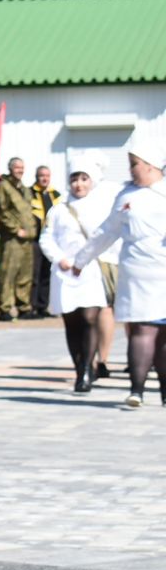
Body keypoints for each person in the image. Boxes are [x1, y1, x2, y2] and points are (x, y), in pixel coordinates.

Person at [67, 134, 166, 408]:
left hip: (163, 270)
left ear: (150, 165)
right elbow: (106, 232)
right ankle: (137, 390)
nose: (131, 169)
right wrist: (81, 259)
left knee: (161, 333)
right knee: (142, 329)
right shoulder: (125, 195)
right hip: (136, 270)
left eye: (134, 163)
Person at [39, 159, 116, 393]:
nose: (78, 184)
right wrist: (59, 258)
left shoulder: (101, 207)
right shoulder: (58, 209)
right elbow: (46, 238)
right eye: (74, 179)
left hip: (89, 269)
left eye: (83, 179)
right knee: (72, 323)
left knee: (90, 318)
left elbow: (107, 237)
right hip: (65, 272)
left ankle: (86, 370)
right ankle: (79, 366)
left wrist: (86, 259)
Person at [0, 157, 36, 322]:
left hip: (27, 239)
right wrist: (16, 230)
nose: (20, 170)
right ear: (10, 169)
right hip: (12, 239)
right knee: (8, 273)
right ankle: (5, 308)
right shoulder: (4, 187)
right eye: (17, 167)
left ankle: (23, 307)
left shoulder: (24, 189)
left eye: (22, 167)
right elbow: (1, 211)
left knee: (25, 274)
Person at [28, 165, 60, 319]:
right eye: (41, 175)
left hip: (51, 240)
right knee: (34, 274)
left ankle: (43, 306)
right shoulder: (29, 194)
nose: (44, 178)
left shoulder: (56, 195)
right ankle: (32, 307)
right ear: (36, 176)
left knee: (47, 274)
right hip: (35, 240)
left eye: (47, 175)